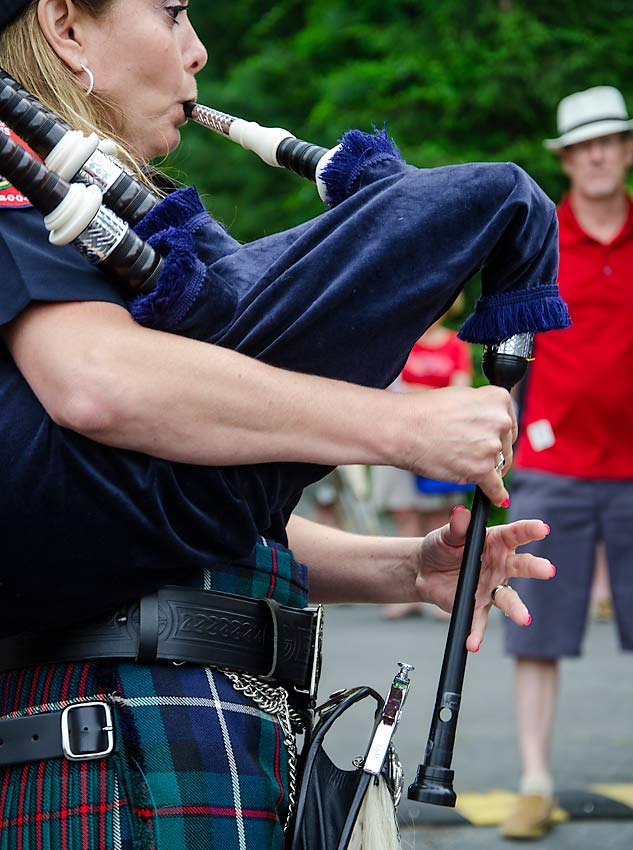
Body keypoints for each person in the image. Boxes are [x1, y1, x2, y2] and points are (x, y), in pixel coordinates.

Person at [0, 2, 565, 848]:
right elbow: (102, 383)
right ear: (66, 27)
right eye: (171, 13)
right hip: (121, 730)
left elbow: (192, 509)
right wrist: (396, 426)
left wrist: (405, 570)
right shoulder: (19, 191)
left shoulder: (104, 219)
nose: (196, 52)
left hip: (192, 721)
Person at [500, 85, 633, 841]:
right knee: (536, 634)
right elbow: (508, 347)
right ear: (566, 157)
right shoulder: (541, 236)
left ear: (623, 149)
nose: (596, 154)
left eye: (608, 141)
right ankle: (533, 781)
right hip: (556, 468)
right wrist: (514, 432)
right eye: (583, 145)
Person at [378, 304, 474, 619]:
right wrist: (433, 393)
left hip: (439, 441)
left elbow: (459, 392)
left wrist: (416, 394)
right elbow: (390, 389)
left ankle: (438, 587)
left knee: (440, 520)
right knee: (406, 516)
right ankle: (405, 591)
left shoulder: (454, 345)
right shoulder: (401, 341)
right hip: (399, 440)